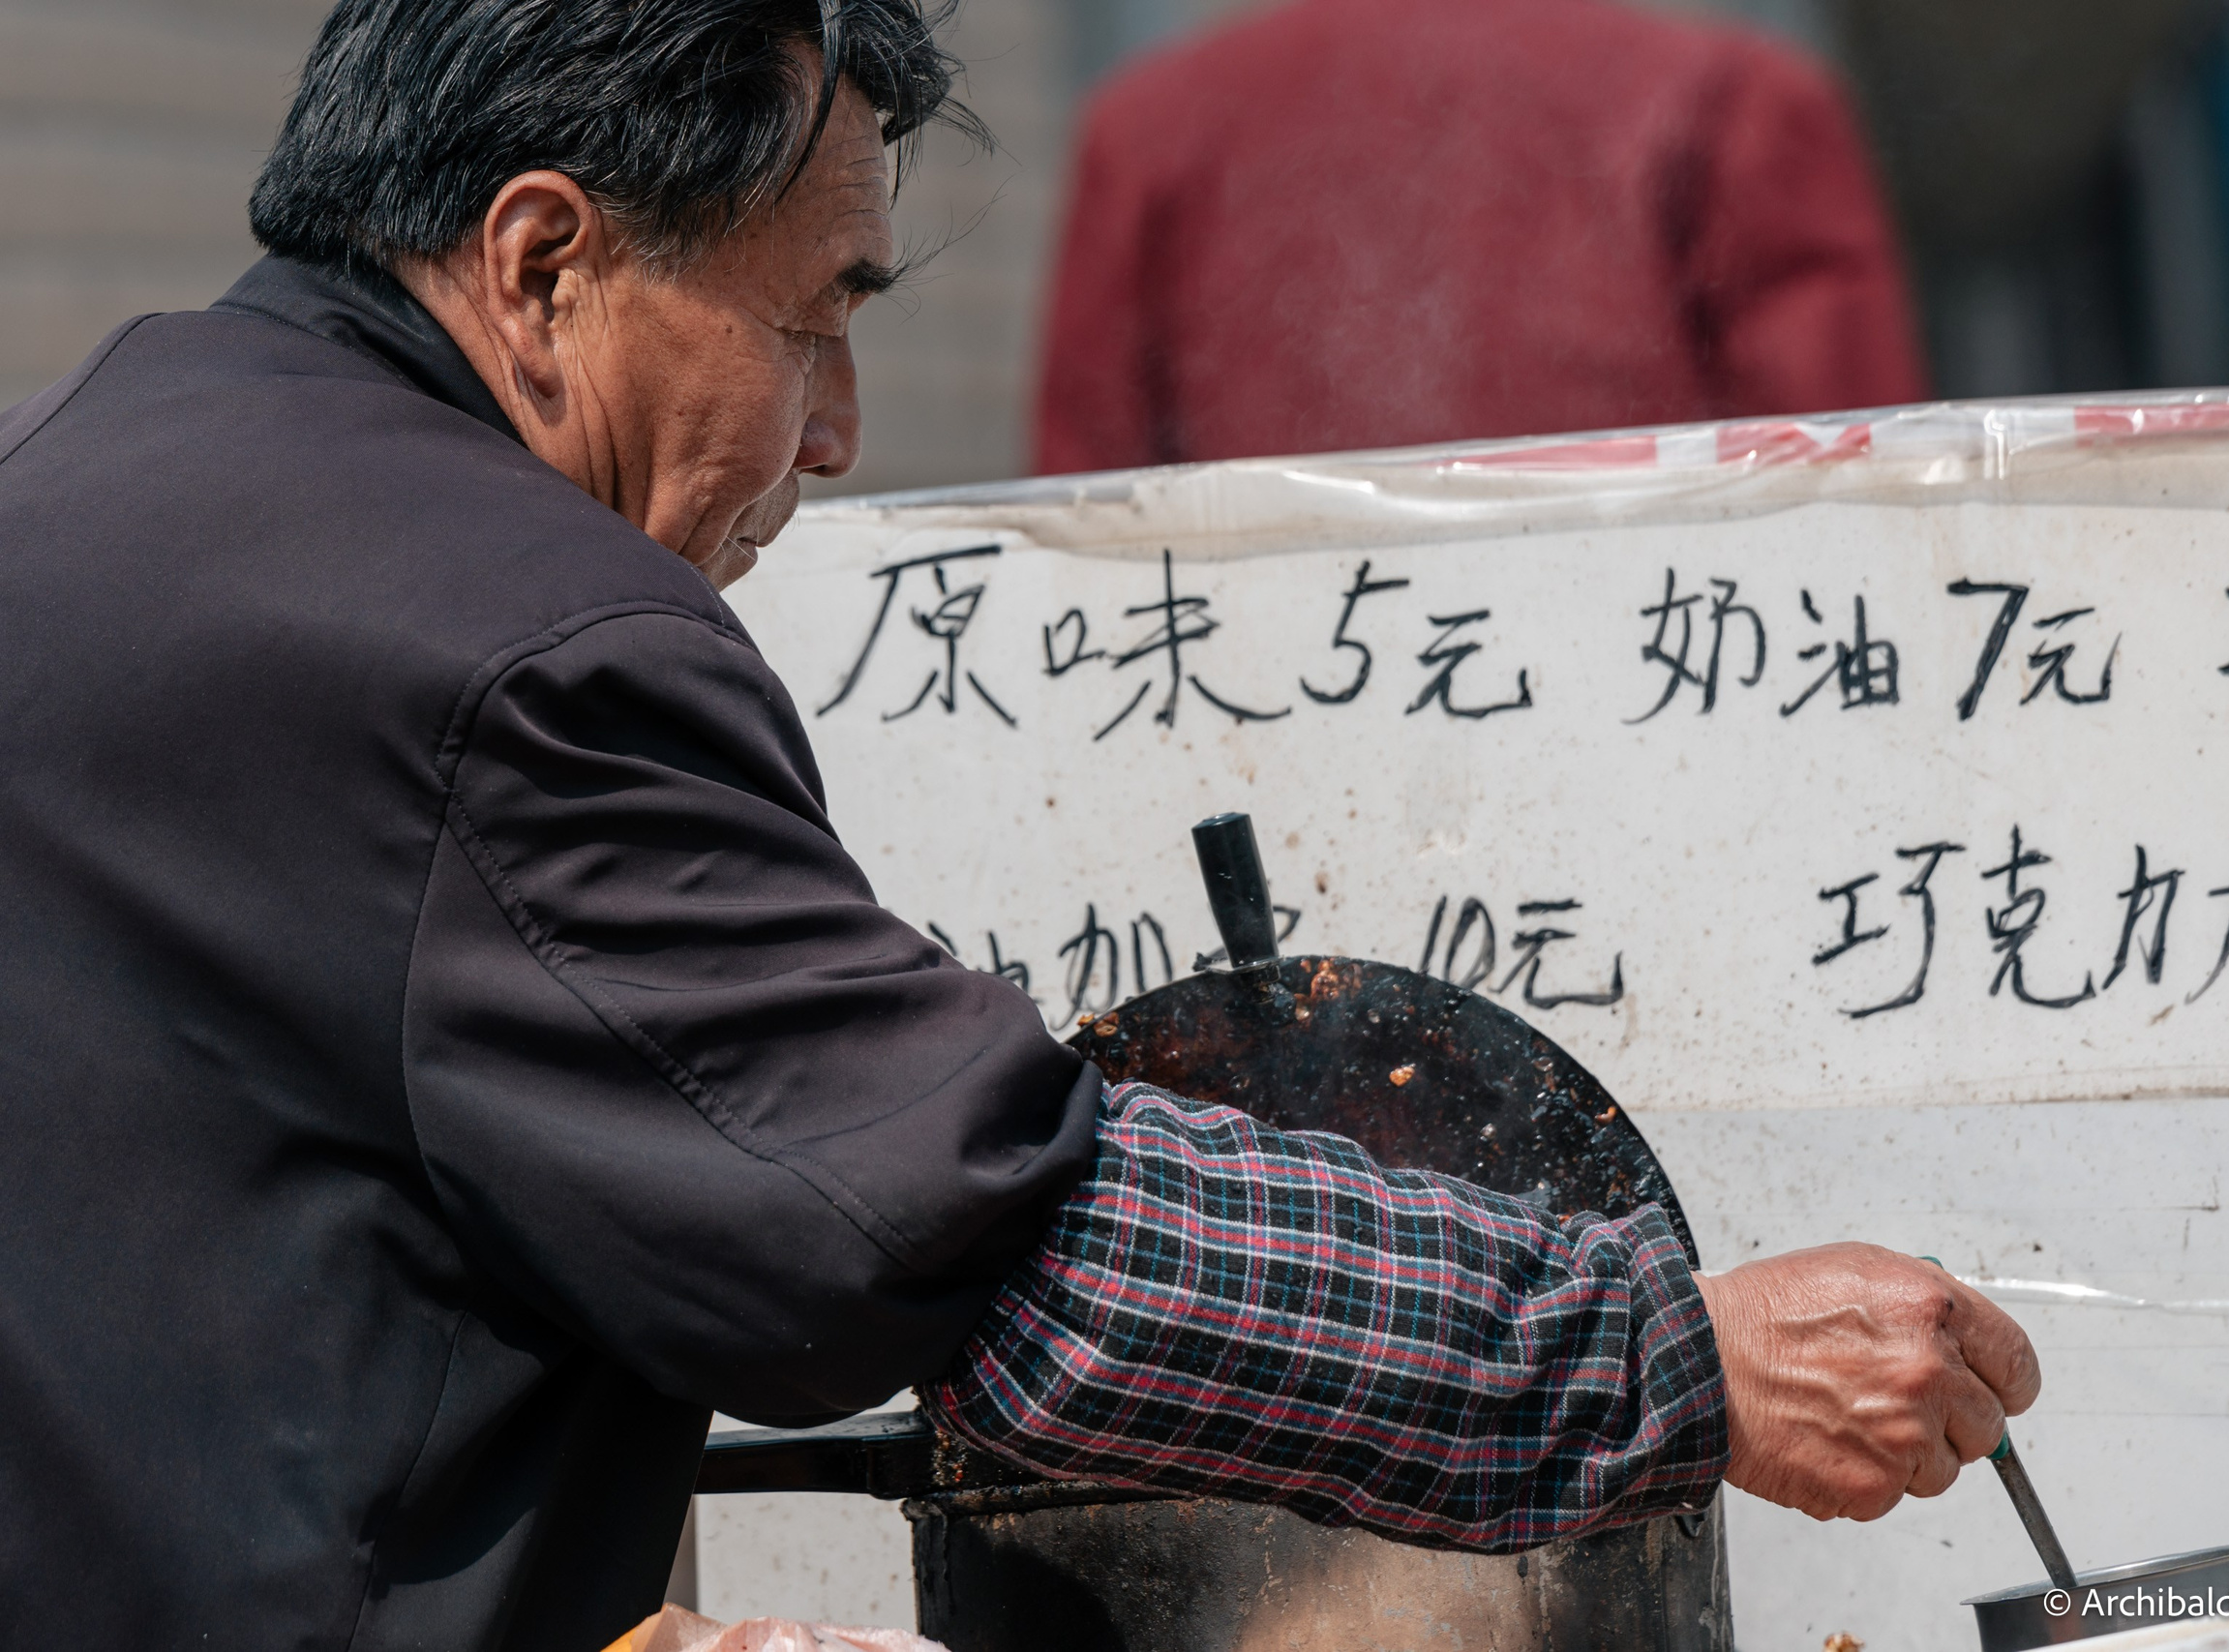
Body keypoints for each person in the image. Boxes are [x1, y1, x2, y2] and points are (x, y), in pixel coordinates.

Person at [0, 2, 2033, 1648]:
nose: (837, 429)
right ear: (543, 266)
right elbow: (973, 1246)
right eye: (810, 315)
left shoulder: (77, 478)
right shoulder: (523, 640)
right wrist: (1667, 1358)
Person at [1035, 0, 1929, 473]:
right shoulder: (1737, 102)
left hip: (1266, 746)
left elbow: (1078, 524)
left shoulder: (1150, 129)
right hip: (1663, 725)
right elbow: (1861, 493)